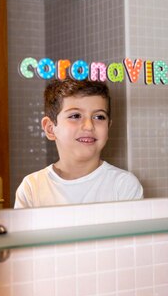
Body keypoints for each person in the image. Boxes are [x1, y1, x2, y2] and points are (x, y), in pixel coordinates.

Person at [15, 78, 143, 207]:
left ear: (108, 127)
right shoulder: (32, 188)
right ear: (50, 128)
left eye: (99, 117)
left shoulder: (124, 185)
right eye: (75, 116)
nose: (89, 126)